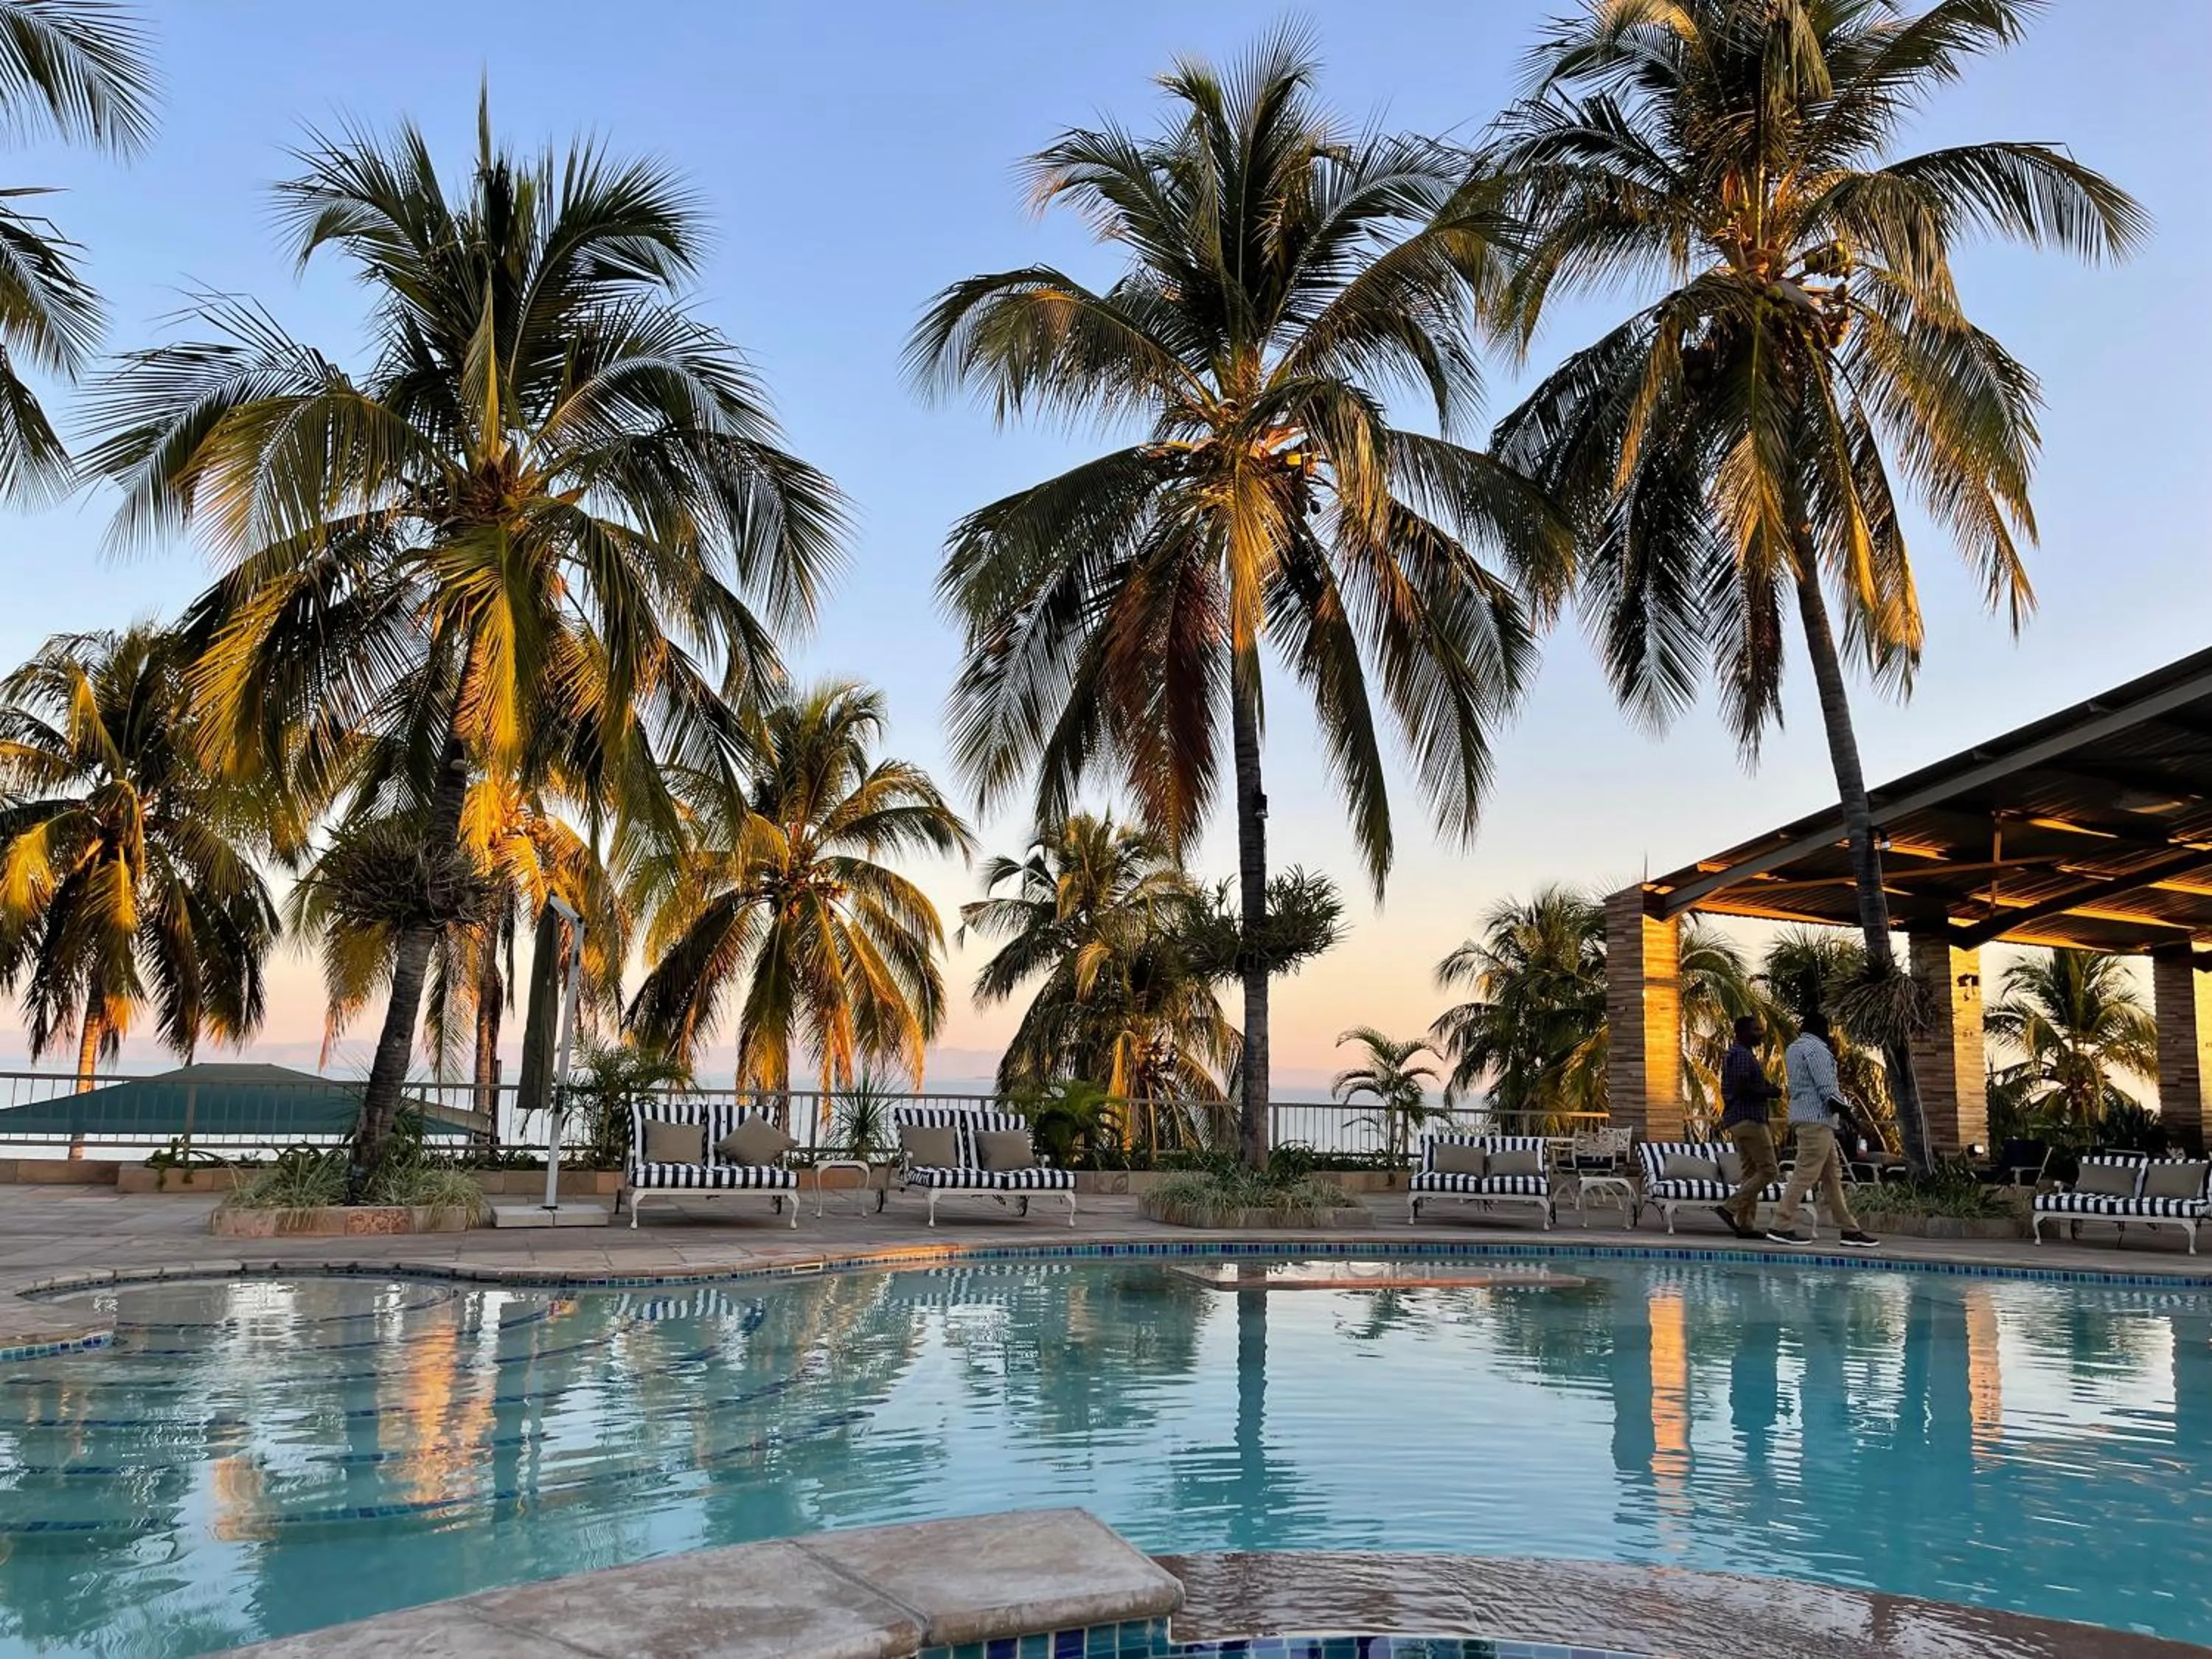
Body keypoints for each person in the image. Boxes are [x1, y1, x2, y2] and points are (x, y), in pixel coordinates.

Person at [1768, 1014, 1879, 1248]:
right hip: (1816, 1121)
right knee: (1805, 1173)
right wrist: (1856, 1123)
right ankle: (1780, 1224)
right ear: (1821, 1028)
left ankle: (1849, 1230)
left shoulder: (1794, 1049)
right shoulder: (1816, 1050)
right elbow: (1828, 1092)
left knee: (1832, 1178)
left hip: (1806, 1118)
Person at [1714, 1015, 1780, 1239]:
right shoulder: (1742, 1055)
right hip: (1750, 1119)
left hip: (1738, 1120)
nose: (1761, 1033)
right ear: (1742, 1032)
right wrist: (1770, 1092)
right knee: (1769, 1170)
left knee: (1750, 1173)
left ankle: (1745, 1225)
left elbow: (1744, 1084)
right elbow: (1743, 1088)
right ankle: (1730, 1207)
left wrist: (1765, 1087)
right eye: (1756, 1030)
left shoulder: (1737, 1054)